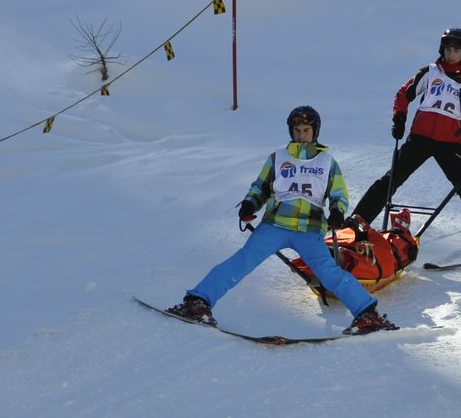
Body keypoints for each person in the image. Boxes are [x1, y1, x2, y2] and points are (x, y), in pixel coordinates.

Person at [167, 105, 397, 334]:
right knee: (242, 260)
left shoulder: (326, 162)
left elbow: (338, 194)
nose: (301, 135)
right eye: (296, 131)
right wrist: (250, 203)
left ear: (315, 131)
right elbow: (261, 187)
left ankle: (367, 313)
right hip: (275, 225)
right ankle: (198, 303)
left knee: (328, 271)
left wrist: (337, 212)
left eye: (306, 130)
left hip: (309, 229)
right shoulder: (278, 158)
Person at [351, 27, 461, 260]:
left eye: (456, 49)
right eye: (447, 48)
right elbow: (403, 94)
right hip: (419, 139)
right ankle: (354, 225)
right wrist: (399, 117)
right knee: (389, 182)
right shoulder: (430, 72)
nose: (451, 54)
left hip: (450, 145)